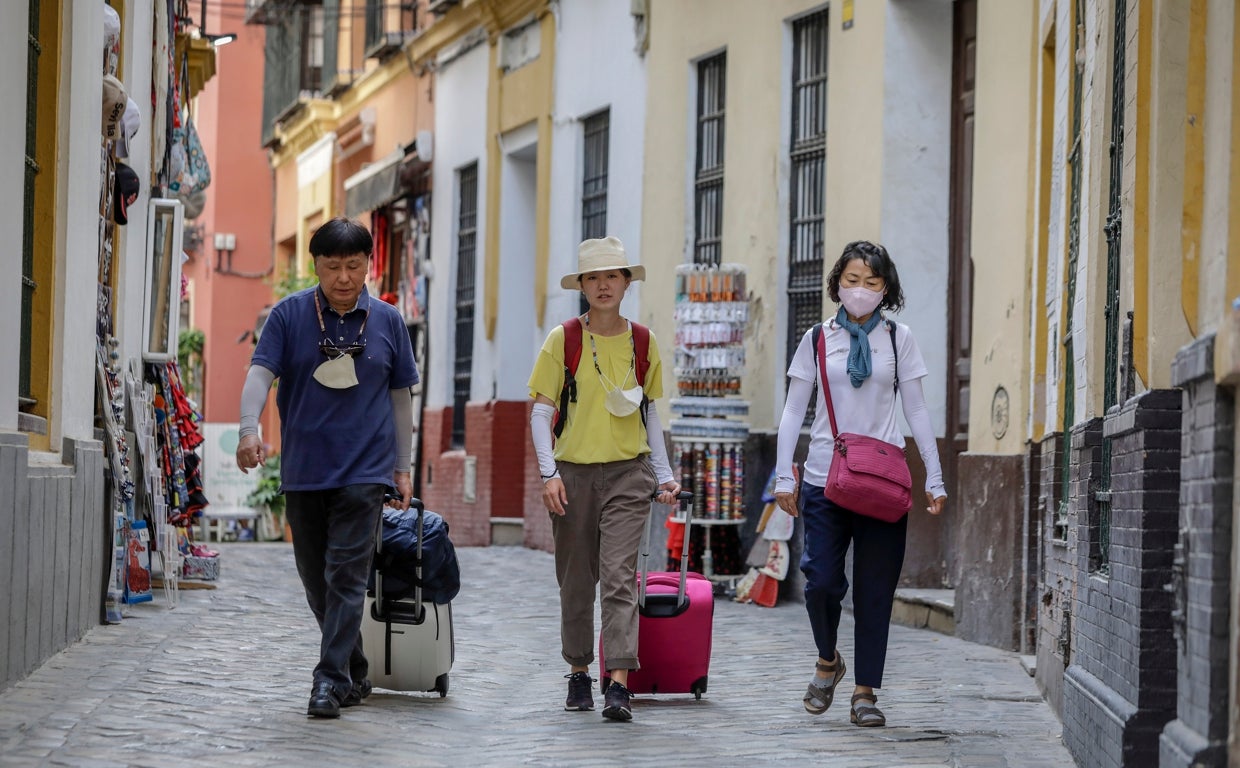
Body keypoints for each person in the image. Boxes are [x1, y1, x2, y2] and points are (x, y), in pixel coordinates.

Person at [235, 217, 418, 719]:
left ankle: (328, 679)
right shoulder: (290, 316)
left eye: (353, 265)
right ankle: (354, 668)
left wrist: (403, 466)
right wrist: (248, 429)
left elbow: (400, 396)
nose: (342, 277)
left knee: (347, 575)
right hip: (305, 468)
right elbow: (260, 374)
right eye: (332, 266)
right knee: (317, 579)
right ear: (315, 265)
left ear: (368, 265)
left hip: (367, 469)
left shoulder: (388, 321)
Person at [773, 240, 947, 728]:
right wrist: (784, 472)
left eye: (872, 282)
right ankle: (828, 659)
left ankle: (865, 691)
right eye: (852, 280)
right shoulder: (816, 339)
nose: (861, 290)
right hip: (824, 477)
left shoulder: (899, 338)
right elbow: (792, 410)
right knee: (821, 581)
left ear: (885, 288)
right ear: (837, 284)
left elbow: (916, 408)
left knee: (875, 590)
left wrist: (933, 475)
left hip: (884, 479)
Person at [527, 236, 681, 722]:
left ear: (626, 282)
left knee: (618, 578)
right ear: (582, 286)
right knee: (576, 581)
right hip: (571, 475)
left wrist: (665, 474)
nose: (602, 285)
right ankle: (578, 672)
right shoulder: (564, 339)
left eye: (612, 276)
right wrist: (548, 472)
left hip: (627, 476)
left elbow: (650, 413)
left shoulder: (643, 341)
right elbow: (540, 411)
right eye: (593, 277)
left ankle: (618, 683)